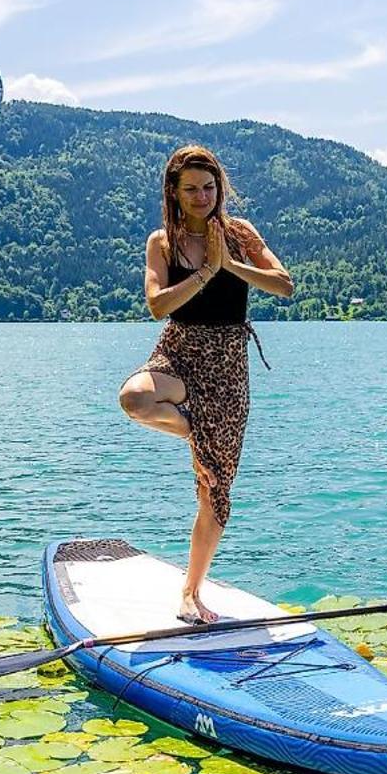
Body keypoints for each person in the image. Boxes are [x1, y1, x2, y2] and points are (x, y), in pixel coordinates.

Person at [117, 145, 294, 623]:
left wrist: (230, 265)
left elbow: (284, 284)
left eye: (209, 187)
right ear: (174, 192)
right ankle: (195, 432)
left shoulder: (239, 234)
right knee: (135, 397)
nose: (202, 196)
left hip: (228, 363)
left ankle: (191, 592)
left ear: (221, 188)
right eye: (191, 188)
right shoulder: (163, 241)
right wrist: (204, 273)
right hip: (180, 349)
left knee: (213, 492)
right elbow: (158, 304)